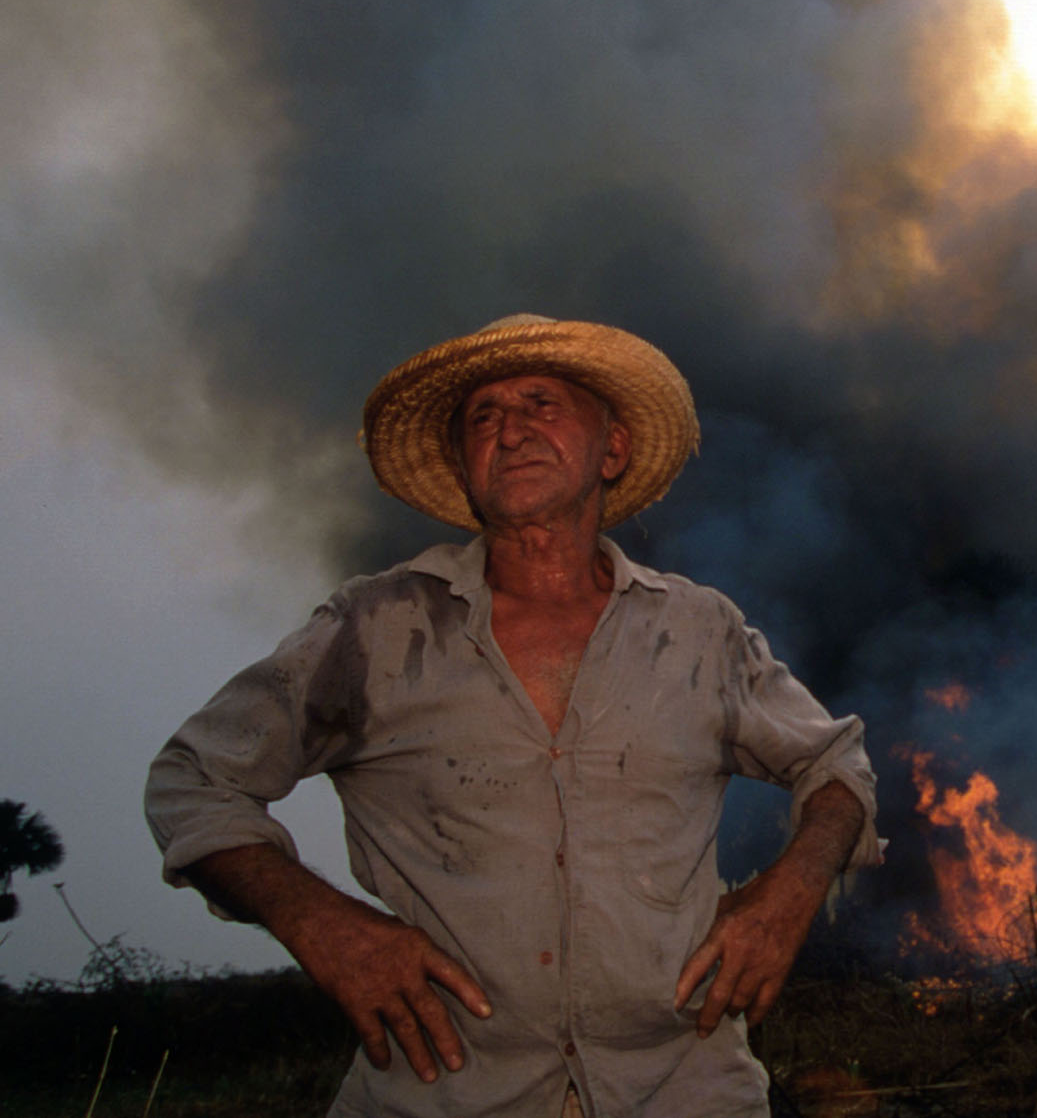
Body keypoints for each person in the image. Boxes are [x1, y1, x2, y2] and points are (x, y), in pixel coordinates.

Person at [145, 315, 881, 1117]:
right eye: (483, 418)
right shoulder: (376, 629)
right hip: (441, 1094)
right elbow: (193, 778)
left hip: (684, 1090)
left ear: (613, 450)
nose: (512, 429)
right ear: (465, 469)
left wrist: (787, 895)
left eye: (542, 403)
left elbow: (835, 764)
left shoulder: (700, 630)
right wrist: (322, 923)